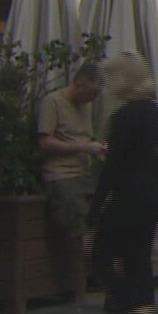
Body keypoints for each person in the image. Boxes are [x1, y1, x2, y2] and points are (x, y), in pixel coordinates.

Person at [88, 52, 158, 314]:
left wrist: (95, 209)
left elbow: (114, 168)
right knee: (138, 258)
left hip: (128, 195)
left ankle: (127, 302)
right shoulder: (155, 110)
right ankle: (143, 306)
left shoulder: (124, 116)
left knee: (100, 254)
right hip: (151, 194)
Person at [37, 62, 105, 300]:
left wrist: (96, 148)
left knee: (100, 223)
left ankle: (91, 280)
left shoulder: (85, 107)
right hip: (63, 175)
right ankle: (79, 288)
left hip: (85, 173)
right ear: (79, 83)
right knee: (78, 232)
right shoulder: (53, 102)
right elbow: (45, 142)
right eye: (91, 93)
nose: (91, 99)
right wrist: (83, 147)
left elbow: (85, 137)